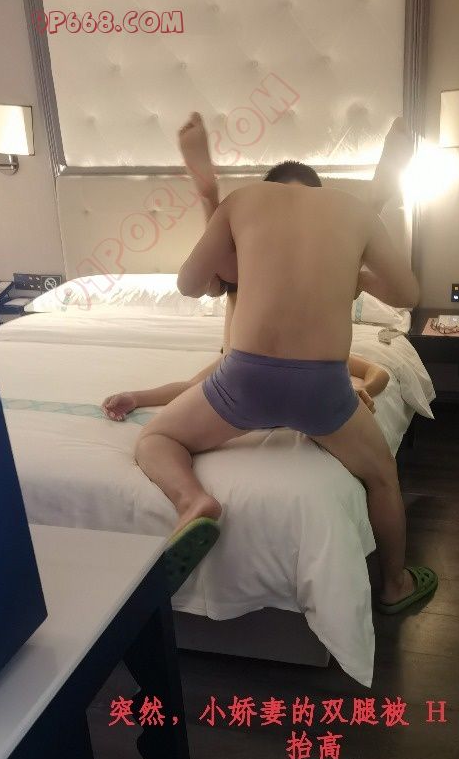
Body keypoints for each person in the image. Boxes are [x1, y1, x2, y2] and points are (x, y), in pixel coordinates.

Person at [137, 114, 437, 614]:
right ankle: (395, 585)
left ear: (269, 185)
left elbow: (190, 285)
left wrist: (210, 195)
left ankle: (194, 502)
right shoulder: (353, 211)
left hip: (244, 380)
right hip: (322, 388)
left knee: (155, 439)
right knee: (382, 477)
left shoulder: (244, 201)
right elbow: (407, 294)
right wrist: (355, 273)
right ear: (317, 191)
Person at [102, 354, 389, 421]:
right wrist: (137, 397)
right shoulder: (242, 356)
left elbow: (379, 373)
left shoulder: (318, 348)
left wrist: (361, 390)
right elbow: (192, 387)